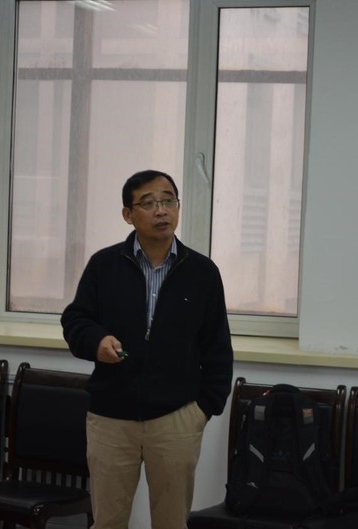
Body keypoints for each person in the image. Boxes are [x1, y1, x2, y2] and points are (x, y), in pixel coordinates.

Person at [61, 169, 234, 529]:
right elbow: (75, 321)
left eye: (168, 200)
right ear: (128, 214)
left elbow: (218, 347)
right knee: (107, 522)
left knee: (171, 523)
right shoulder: (104, 265)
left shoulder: (202, 272)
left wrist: (203, 409)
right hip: (111, 417)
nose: (161, 210)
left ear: (178, 207)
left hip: (176, 417)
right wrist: (97, 341)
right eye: (149, 203)